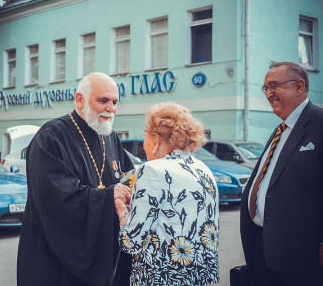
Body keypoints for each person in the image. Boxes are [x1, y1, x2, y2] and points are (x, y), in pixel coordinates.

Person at [16, 72, 134, 286]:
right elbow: (54, 199)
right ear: (80, 100)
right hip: (56, 261)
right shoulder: (51, 136)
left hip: (103, 254)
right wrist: (108, 196)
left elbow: (128, 179)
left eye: (115, 102)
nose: (111, 108)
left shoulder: (111, 137)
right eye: (103, 100)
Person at [117, 102, 220, 286]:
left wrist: (122, 210)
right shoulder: (204, 169)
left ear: (156, 140)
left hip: (162, 279)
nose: (145, 145)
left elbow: (131, 242)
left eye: (145, 139)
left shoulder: (152, 170)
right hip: (198, 279)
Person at [240, 61, 323, 286]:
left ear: (299, 86)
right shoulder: (280, 130)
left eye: (274, 85)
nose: (269, 93)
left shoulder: (319, 122)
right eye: (265, 88)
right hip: (263, 250)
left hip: (301, 258)